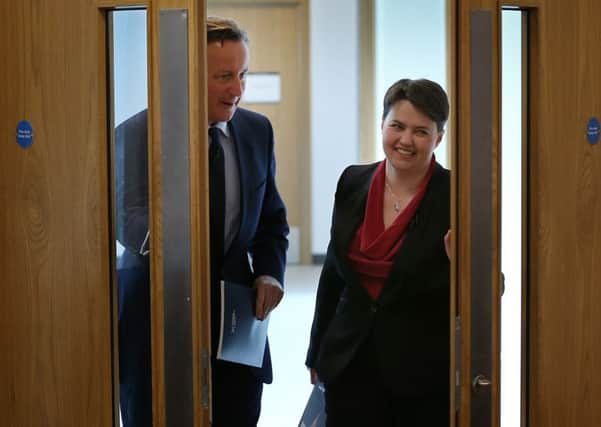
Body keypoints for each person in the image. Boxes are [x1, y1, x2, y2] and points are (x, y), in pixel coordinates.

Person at [116, 16, 289, 427]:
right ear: (188, 77)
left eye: (243, 74)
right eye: (224, 76)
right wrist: (176, 244)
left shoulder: (256, 131)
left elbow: (271, 221)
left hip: (236, 322)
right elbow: (128, 216)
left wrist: (269, 273)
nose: (238, 90)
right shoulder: (138, 133)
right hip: (157, 312)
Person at [305, 78, 451, 426]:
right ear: (382, 125)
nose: (405, 140)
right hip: (348, 361)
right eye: (397, 126)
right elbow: (333, 274)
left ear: (439, 138)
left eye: (420, 131)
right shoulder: (353, 181)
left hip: (420, 374)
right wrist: (317, 351)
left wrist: (464, 265)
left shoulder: (456, 195)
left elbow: (492, 287)